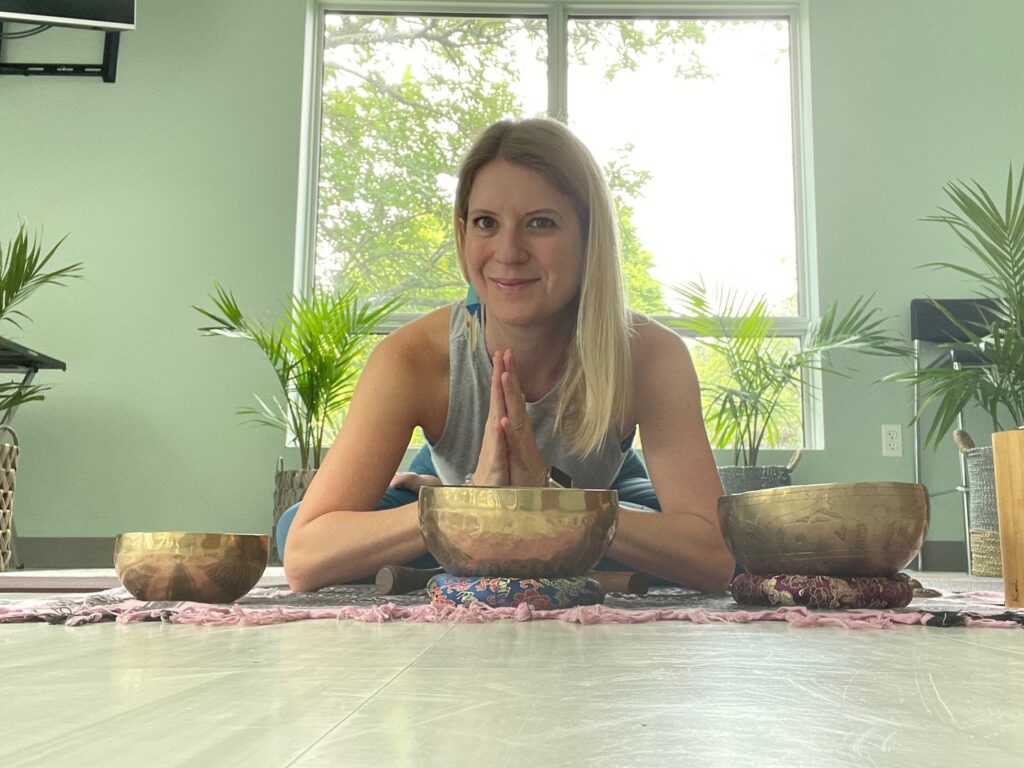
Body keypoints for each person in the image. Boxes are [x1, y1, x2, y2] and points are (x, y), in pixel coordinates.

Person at [282, 117, 734, 594]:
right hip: (456, 481)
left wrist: (547, 501)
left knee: (745, 546)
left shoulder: (650, 354)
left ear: (588, 236)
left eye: (541, 223)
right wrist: (472, 503)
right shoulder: (411, 357)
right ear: (463, 233)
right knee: (294, 523)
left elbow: (714, 556)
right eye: (486, 223)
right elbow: (305, 554)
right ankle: (541, 545)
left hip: (606, 484)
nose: (508, 251)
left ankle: (524, 544)